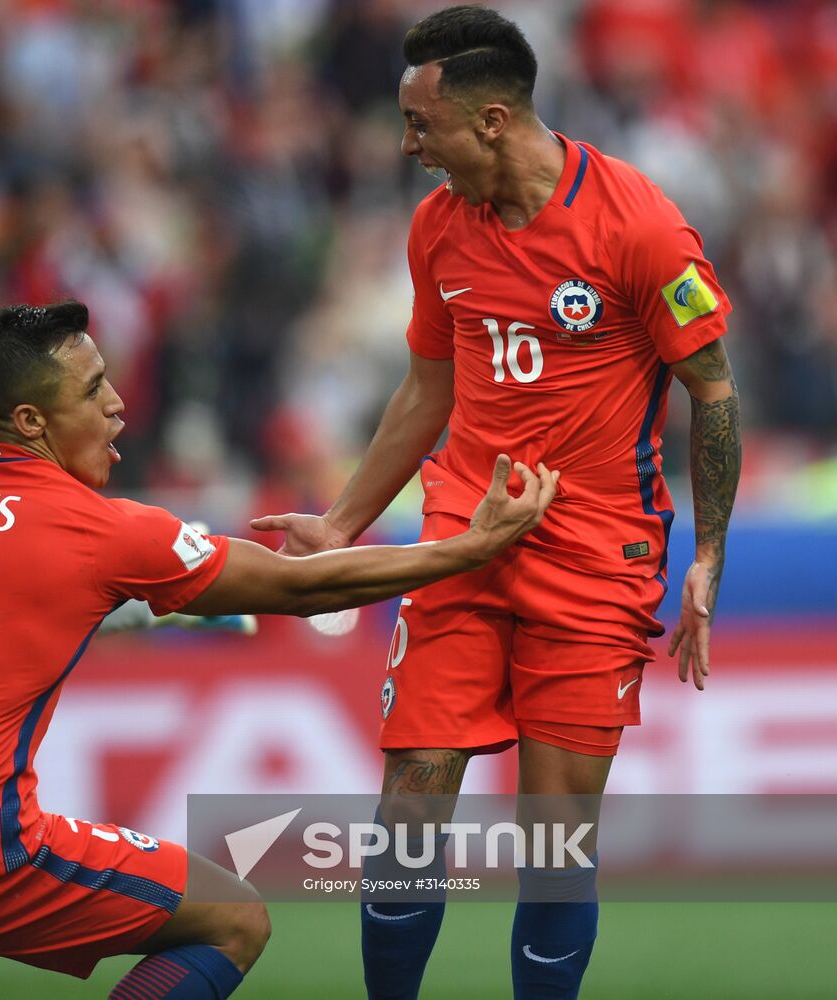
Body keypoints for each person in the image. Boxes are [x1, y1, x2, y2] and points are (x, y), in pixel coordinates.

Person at [0, 300, 558, 1000]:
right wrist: (467, 549)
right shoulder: (96, 529)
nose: (119, 404)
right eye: (94, 390)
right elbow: (303, 588)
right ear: (30, 420)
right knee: (234, 918)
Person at [250, 8, 741, 1000]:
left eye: (418, 124)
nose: (405, 146)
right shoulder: (436, 227)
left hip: (593, 559)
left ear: (487, 122)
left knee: (552, 845)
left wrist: (706, 552)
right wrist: (343, 522)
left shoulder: (637, 226)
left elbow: (712, 392)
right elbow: (425, 389)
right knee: (408, 817)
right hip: (459, 548)